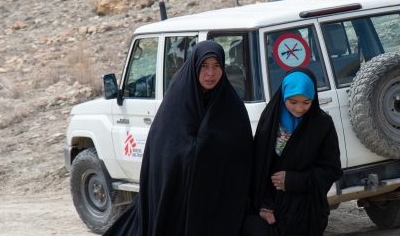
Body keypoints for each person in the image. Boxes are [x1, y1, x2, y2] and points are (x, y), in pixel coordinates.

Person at [104, 41, 253, 236]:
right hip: (176, 198)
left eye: (217, 66)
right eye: (204, 66)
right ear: (194, 67)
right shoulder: (177, 103)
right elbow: (163, 154)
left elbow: (242, 157)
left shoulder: (232, 107)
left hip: (215, 201)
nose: (211, 73)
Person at [242, 68, 342, 236]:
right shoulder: (270, 121)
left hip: (305, 209)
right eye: (292, 101)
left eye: (306, 102)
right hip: (270, 207)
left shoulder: (322, 125)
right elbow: (258, 166)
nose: (299, 108)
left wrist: (295, 180)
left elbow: (332, 169)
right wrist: (264, 203)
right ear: (283, 96)